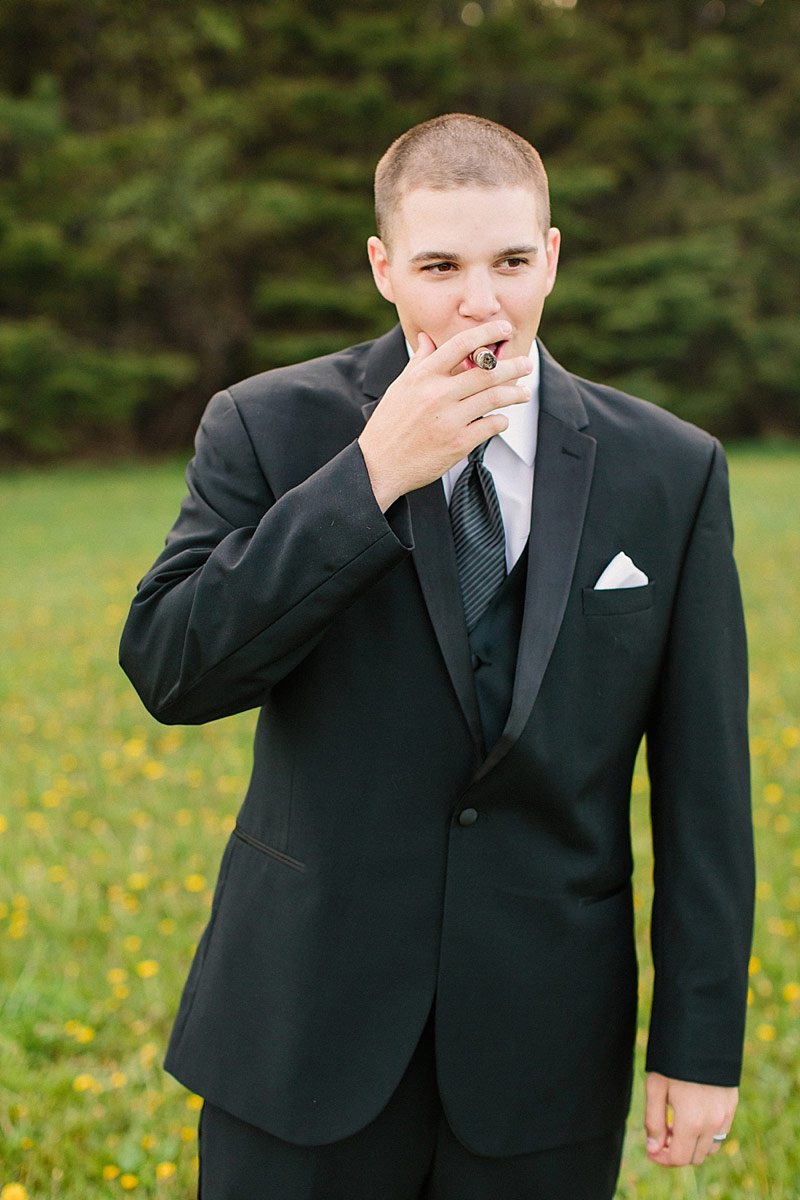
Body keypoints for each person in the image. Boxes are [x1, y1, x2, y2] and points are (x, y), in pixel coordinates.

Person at [119, 114, 754, 1199]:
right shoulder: (267, 428)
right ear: (381, 269)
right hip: (301, 1033)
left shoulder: (669, 470)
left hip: (542, 1048)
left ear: (550, 255)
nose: (481, 303)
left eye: (511, 262)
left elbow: (703, 786)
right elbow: (174, 671)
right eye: (439, 266)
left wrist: (697, 1043)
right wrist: (366, 477)